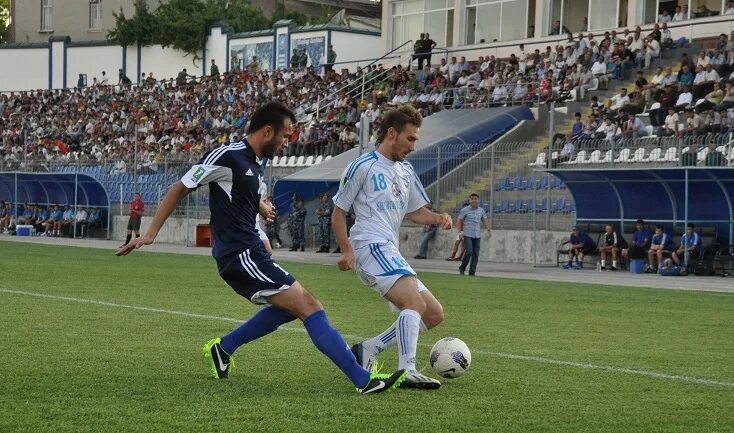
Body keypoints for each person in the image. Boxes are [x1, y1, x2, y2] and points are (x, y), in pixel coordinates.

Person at [116, 102, 405, 394]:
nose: (286, 142)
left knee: (291, 307)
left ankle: (224, 347)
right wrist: (150, 233)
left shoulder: (257, 163)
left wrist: (260, 205)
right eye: (285, 135)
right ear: (268, 131)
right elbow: (181, 186)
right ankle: (363, 380)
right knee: (310, 306)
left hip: (250, 250)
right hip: (239, 254)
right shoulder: (227, 156)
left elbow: (239, 190)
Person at [332, 105, 453, 390]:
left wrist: (437, 218)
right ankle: (407, 369)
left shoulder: (406, 171)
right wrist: (347, 250)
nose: (413, 146)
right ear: (391, 133)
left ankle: (369, 349)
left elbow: (415, 212)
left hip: (390, 250)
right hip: (369, 245)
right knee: (413, 302)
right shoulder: (363, 166)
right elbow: (339, 211)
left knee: (433, 313)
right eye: (410, 139)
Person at [457, 194, 492, 276]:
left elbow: (484, 220)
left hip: (477, 235)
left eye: (475, 199)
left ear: (478, 200)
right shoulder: (464, 210)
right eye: (472, 199)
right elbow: (458, 221)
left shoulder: (481, 210)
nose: (474, 200)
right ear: (469, 200)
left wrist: (489, 230)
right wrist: (459, 232)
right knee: (469, 252)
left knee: (476, 254)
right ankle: (462, 267)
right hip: (467, 234)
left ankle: (472, 272)